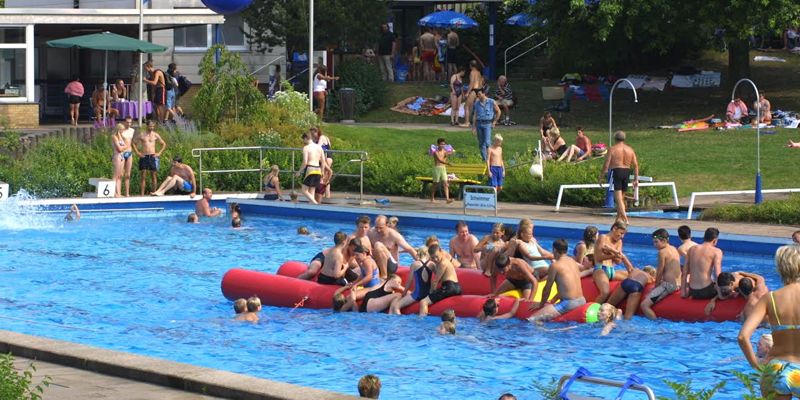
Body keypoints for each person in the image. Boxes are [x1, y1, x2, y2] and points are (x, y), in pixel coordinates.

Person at [738, 244, 800, 399]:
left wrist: (756, 365)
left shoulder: (770, 298)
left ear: (780, 268)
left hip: (776, 367)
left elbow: (743, 337)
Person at [528, 239, 586, 322]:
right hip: (582, 300)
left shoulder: (555, 265)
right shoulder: (573, 262)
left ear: (554, 250)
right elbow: (567, 286)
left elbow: (547, 288)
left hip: (568, 303)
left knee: (532, 319)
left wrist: (541, 304)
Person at [640, 229, 683, 320]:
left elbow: (659, 272)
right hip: (679, 284)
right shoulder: (674, 248)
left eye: (656, 242)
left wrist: (655, 287)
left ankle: (656, 325)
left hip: (669, 286)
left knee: (644, 305)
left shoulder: (662, 252)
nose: (654, 245)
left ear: (663, 241)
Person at [599, 130, 639, 224]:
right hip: (626, 172)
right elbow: (636, 165)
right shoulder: (630, 149)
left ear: (615, 139)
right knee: (621, 198)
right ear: (624, 139)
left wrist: (601, 176)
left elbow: (606, 165)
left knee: (618, 198)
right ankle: (618, 219)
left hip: (616, 171)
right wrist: (635, 179)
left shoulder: (612, 149)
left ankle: (625, 218)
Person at [592, 221, 633, 303]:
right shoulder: (603, 237)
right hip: (600, 269)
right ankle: (594, 310)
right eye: (621, 233)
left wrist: (611, 250)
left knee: (633, 277)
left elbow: (618, 261)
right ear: (614, 229)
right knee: (605, 293)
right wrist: (615, 254)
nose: (622, 236)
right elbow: (599, 257)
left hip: (612, 271)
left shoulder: (619, 242)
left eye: (623, 234)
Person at [419, 244, 462, 317]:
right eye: (433, 258)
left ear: (441, 251)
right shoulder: (444, 261)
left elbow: (436, 281)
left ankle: (421, 323)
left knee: (423, 302)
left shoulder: (442, 263)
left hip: (449, 287)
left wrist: (430, 294)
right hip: (457, 287)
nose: (435, 259)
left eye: (436, 256)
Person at [681, 227, 723, 300]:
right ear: (715, 240)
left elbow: (684, 272)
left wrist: (683, 292)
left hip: (692, 291)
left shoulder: (692, 249)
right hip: (707, 291)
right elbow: (718, 275)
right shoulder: (716, 251)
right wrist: (720, 294)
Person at [389, 246, 433, 314]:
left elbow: (409, 281)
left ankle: (400, 322)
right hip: (428, 294)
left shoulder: (415, 264)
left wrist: (403, 294)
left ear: (419, 254)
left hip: (417, 294)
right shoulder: (432, 264)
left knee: (396, 306)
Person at [132, 120, 167, 196]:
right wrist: (138, 153)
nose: (152, 128)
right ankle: (142, 194)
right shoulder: (142, 135)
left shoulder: (155, 135)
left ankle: (154, 192)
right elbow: (133, 143)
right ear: (147, 126)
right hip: (144, 156)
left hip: (152, 156)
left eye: (153, 126)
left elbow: (163, 144)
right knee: (143, 176)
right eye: (150, 126)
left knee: (153, 176)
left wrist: (159, 153)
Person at [297, 132, 331, 204]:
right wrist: (322, 172)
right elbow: (323, 161)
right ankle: (312, 206)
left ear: (306, 138)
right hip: (318, 170)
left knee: (304, 190)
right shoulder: (319, 147)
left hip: (310, 169)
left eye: (304, 140)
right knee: (311, 191)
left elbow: (305, 162)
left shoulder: (306, 148)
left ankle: (315, 204)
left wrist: (299, 171)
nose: (303, 142)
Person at [471, 87, 501, 161]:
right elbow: (475, 115)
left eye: (479, 94)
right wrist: (473, 127)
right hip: (479, 124)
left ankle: (490, 158)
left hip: (488, 124)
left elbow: (498, 112)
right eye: (477, 94)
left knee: (487, 142)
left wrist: (494, 122)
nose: (478, 96)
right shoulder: (476, 103)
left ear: (484, 93)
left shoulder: (491, 101)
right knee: (481, 143)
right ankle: (485, 159)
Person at [462, 60, 484, 128]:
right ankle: (471, 121)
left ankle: (467, 122)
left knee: (466, 106)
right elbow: (481, 82)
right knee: (472, 106)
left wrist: (467, 93)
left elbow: (471, 83)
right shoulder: (478, 72)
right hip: (480, 90)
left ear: (471, 66)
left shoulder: (472, 72)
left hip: (474, 90)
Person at [431, 137, 453, 204]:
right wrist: (448, 163)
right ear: (438, 144)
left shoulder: (444, 151)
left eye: (443, 144)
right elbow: (439, 160)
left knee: (445, 183)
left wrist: (451, 152)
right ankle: (432, 197)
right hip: (437, 168)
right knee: (435, 184)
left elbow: (448, 154)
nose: (442, 145)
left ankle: (447, 199)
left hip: (443, 168)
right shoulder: (435, 152)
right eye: (441, 144)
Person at [110, 123, 129, 197]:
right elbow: (120, 148)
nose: (123, 131)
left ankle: (118, 193)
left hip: (121, 156)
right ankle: (113, 192)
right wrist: (125, 147)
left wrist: (124, 146)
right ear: (119, 129)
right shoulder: (114, 137)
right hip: (117, 156)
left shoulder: (120, 137)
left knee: (119, 175)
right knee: (115, 175)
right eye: (122, 130)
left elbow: (125, 146)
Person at [119, 116, 136, 197]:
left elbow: (131, 142)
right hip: (122, 153)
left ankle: (127, 193)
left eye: (130, 122)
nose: (129, 124)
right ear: (124, 122)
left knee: (128, 174)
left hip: (129, 153)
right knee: (121, 174)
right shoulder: (121, 131)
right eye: (127, 122)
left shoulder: (132, 130)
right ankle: (118, 192)